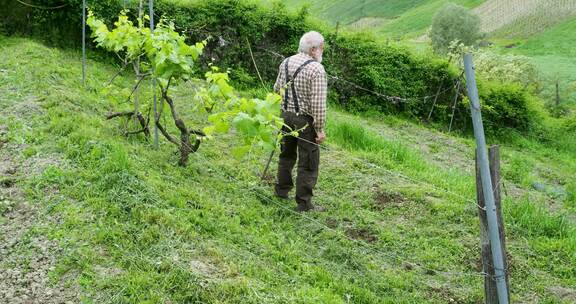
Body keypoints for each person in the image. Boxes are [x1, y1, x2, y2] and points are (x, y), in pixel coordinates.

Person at [273, 31, 328, 212]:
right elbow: (318, 105)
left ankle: (281, 190)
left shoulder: (286, 62)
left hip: (286, 115)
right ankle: (304, 203)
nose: (322, 50)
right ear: (313, 49)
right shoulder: (317, 69)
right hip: (305, 121)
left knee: (286, 154)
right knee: (308, 162)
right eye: (321, 47)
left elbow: (277, 89)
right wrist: (319, 129)